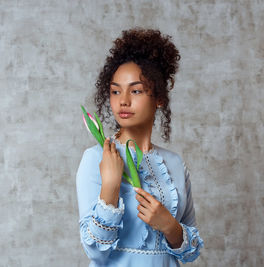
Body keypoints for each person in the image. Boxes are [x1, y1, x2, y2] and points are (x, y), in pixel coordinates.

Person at [76, 28, 204, 267]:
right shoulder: (96, 158)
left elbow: (190, 252)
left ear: (159, 98)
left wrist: (170, 226)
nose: (123, 100)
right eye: (115, 91)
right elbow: (95, 252)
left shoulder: (175, 163)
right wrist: (111, 187)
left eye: (136, 90)